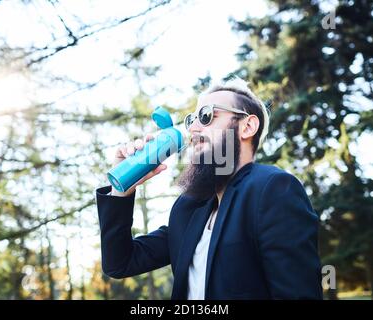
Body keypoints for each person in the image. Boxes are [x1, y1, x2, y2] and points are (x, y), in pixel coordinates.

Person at [96, 77, 323, 299]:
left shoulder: (273, 189)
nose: (194, 128)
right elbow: (119, 263)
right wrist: (120, 192)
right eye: (191, 119)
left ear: (247, 126)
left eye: (206, 116)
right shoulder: (187, 210)